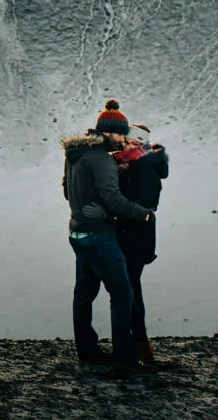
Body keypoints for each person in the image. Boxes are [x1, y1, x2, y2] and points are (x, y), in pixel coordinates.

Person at [61, 99, 155, 373]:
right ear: (110, 132)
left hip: (77, 232)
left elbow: (68, 191)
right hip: (99, 236)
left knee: (84, 294)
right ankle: (124, 358)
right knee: (122, 295)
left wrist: (88, 207)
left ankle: (87, 352)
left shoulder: (75, 154)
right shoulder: (101, 159)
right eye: (121, 133)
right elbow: (114, 199)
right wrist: (144, 214)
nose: (124, 138)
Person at [113, 123, 169, 366]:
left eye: (126, 141)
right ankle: (137, 345)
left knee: (130, 289)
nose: (121, 145)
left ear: (135, 142)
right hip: (135, 234)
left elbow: (144, 205)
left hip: (135, 236)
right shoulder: (139, 163)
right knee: (131, 289)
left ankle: (139, 347)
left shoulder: (143, 166)